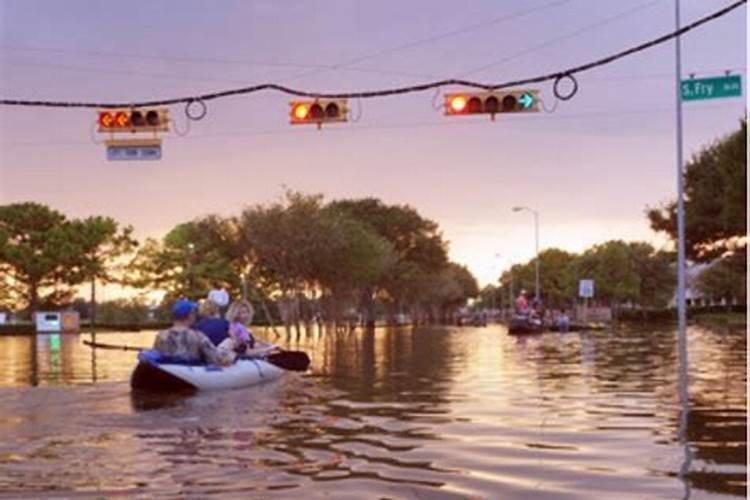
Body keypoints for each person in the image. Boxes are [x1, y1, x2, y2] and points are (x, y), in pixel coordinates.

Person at [152, 299, 233, 365]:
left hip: (170, 375)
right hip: (192, 377)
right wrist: (232, 356)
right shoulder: (198, 336)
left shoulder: (161, 336)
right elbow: (217, 359)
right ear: (190, 315)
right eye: (194, 313)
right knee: (228, 343)